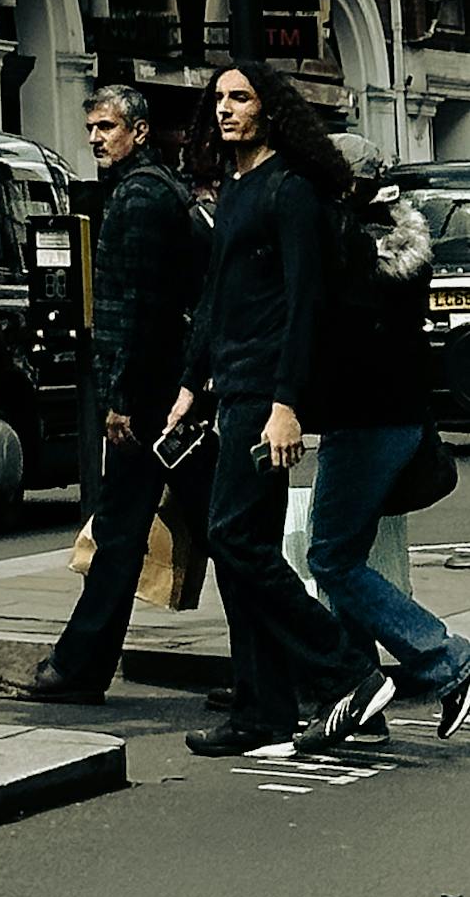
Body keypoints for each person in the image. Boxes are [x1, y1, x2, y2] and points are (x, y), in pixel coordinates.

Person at [163, 57, 376, 757]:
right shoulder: (235, 186)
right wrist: (191, 382)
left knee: (236, 540)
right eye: (218, 97)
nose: (225, 108)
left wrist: (286, 404)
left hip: (264, 394)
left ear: (269, 108)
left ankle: (346, 668)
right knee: (236, 549)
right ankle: (261, 711)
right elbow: (219, 298)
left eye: (241, 97)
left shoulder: (288, 190)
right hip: (233, 387)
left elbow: (302, 304)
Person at [3, 87, 208, 705]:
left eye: (108, 127)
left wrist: (121, 399)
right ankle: (80, 667)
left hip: (147, 400)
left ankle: (77, 669)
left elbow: (139, 308)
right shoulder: (157, 189)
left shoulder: (141, 197)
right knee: (197, 530)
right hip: (164, 391)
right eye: (91, 128)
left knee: (129, 533)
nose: (96, 138)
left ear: (139, 132)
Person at [299, 149, 470, 742]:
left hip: (368, 420)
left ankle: (449, 660)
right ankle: (357, 696)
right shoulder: (398, 244)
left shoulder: (357, 251)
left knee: (332, 559)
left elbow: (339, 332)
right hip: (388, 418)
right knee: (343, 555)